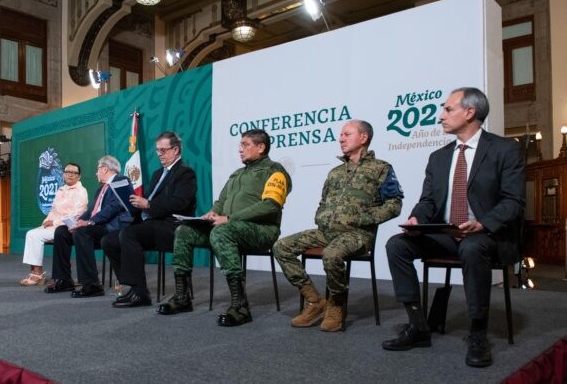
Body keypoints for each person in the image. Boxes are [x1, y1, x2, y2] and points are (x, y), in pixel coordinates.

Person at [382, 87, 525, 368]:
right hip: (447, 235)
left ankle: (478, 333)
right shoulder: (439, 157)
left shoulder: (505, 149)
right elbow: (427, 202)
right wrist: (416, 219)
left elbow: (514, 202)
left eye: (448, 109)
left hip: (487, 236)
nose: (440, 116)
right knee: (396, 245)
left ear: (469, 112)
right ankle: (418, 325)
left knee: (472, 247)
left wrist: (482, 223)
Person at [273, 120, 403, 332]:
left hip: (358, 234)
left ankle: (336, 303)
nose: (341, 138)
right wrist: (321, 215)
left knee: (332, 255)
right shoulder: (335, 172)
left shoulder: (381, 168)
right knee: (281, 247)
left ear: (364, 138)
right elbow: (323, 201)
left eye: (347, 134)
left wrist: (363, 218)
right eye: (340, 135)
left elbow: (394, 204)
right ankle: (314, 301)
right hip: (327, 231)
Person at [157, 129, 291, 327]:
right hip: (230, 228)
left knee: (221, 231)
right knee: (184, 231)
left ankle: (240, 306)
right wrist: (211, 213)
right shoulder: (237, 174)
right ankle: (182, 297)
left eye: (245, 145)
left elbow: (270, 205)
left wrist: (229, 218)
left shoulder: (275, 171)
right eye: (240, 145)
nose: (240, 149)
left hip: (261, 231)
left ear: (261, 147)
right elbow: (221, 201)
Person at [103, 132, 197, 308]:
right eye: (157, 150)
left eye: (163, 150)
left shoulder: (185, 173)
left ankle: (140, 294)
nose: (159, 154)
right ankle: (132, 288)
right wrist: (132, 205)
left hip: (172, 226)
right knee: (109, 240)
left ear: (175, 150)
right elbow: (146, 202)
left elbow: (181, 203)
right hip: (151, 223)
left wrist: (148, 205)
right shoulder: (157, 174)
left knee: (130, 234)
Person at [44, 155, 134, 297]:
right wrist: (77, 222)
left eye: (97, 169)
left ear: (105, 169)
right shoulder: (100, 190)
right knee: (62, 231)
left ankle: (92, 284)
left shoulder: (121, 180)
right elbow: (91, 211)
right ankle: (64, 279)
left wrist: (90, 222)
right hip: (96, 228)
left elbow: (114, 206)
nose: (96, 173)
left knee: (82, 232)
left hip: (111, 229)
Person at [19, 163, 88, 286]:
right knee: (31, 234)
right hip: (54, 225)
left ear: (79, 176)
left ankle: (38, 274)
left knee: (34, 235)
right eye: (68, 172)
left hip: (68, 227)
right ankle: (35, 272)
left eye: (74, 173)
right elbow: (53, 210)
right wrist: (47, 221)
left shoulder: (81, 192)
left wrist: (55, 222)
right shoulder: (61, 190)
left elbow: (77, 214)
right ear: (63, 174)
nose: (70, 175)